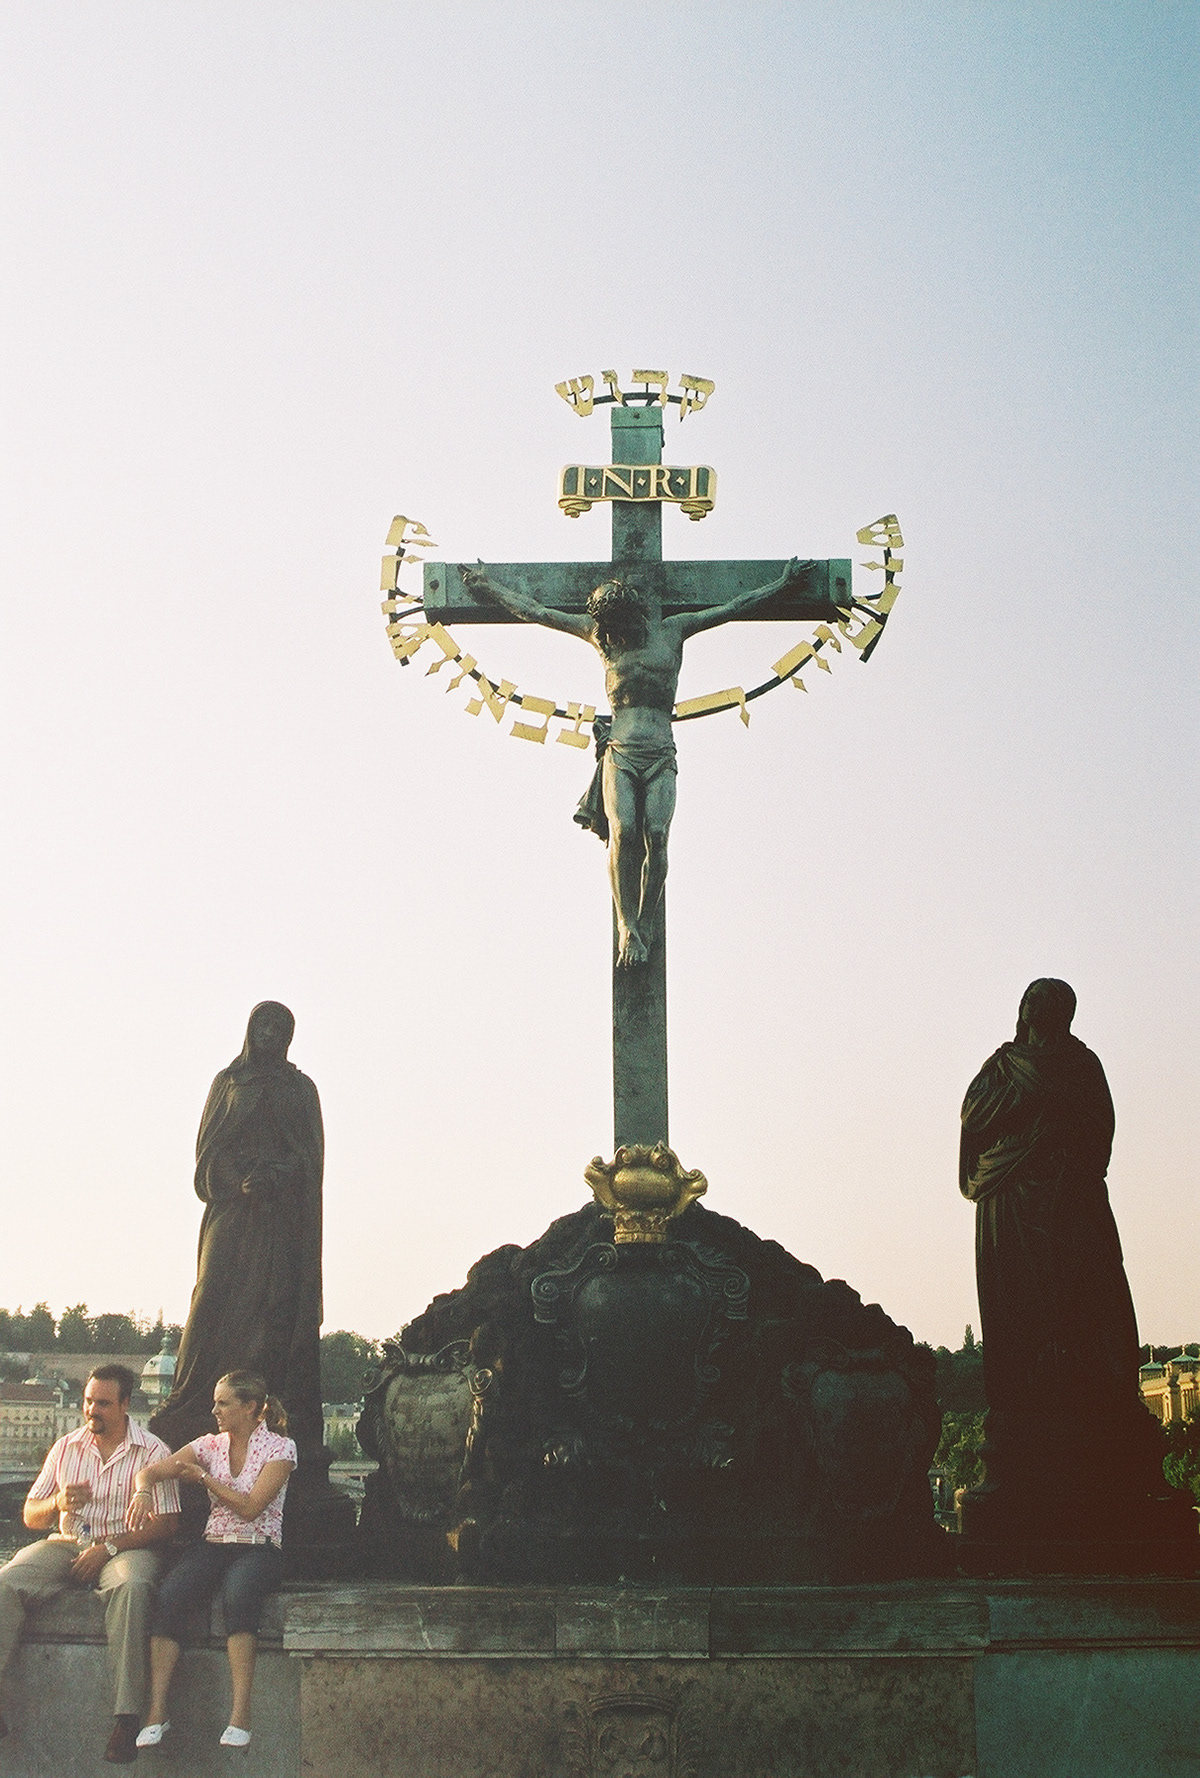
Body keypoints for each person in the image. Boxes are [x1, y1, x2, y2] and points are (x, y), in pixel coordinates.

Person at [461, 561, 809, 967]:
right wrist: (489, 589)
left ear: (634, 614)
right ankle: (627, 926)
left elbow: (735, 606)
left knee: (656, 834)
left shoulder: (674, 631)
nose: (614, 637)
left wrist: (783, 585)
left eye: (619, 628)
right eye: (608, 631)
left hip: (660, 749)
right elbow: (539, 613)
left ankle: (644, 924)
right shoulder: (600, 636)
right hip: (621, 750)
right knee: (625, 832)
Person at [151, 1003, 325, 1463]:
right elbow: (207, 1153)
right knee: (210, 1295)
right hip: (233, 1211)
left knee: (275, 1308)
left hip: (282, 1218)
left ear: (289, 1036)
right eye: (262, 1025)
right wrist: (239, 1180)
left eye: (278, 1027)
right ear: (250, 1031)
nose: (269, 1033)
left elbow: (312, 1159)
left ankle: (265, 1411)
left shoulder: (301, 1089)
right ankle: (187, 1400)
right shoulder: (228, 1083)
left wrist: (283, 1174)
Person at [0, 1365, 181, 1764]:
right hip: (68, 1543)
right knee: (5, 1582)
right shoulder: (66, 1446)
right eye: (87, 1401)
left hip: (126, 1547)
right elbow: (31, 1514)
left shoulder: (152, 1451)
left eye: (102, 1403)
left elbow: (167, 1525)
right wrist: (58, 1503)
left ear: (125, 1405)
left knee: (131, 1589)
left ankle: (126, 1718)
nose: (91, 1410)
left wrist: (110, 1548)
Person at [129, 1370, 296, 1750]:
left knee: (239, 1594)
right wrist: (143, 1492)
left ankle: (241, 1714)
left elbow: (252, 1507)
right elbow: (151, 1471)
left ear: (251, 1407)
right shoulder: (209, 1444)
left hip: (260, 1546)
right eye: (215, 1402)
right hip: (215, 1543)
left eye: (224, 1403)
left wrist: (204, 1479)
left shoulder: (281, 1449)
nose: (215, 1409)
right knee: (170, 1595)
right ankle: (157, 1711)